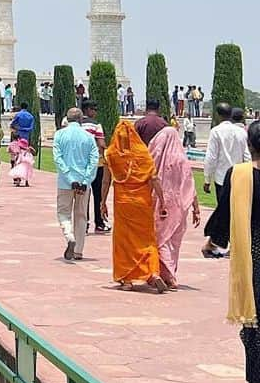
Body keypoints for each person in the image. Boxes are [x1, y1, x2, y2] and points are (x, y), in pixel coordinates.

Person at [204, 120, 260, 383]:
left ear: (249, 146)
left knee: (254, 322)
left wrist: (214, 241)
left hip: (254, 254)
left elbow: (225, 212)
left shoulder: (239, 175)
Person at [100, 120, 167, 292]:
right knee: (146, 239)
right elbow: (154, 179)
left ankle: (127, 280)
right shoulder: (143, 154)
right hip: (142, 203)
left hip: (123, 204)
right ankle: (152, 272)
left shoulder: (112, 154)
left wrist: (102, 202)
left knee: (124, 241)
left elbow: (106, 181)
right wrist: (162, 201)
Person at [148, 124, 200, 288]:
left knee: (160, 238)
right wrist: (196, 208)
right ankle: (169, 273)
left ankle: (167, 275)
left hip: (160, 203)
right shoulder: (181, 159)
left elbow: (149, 177)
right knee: (173, 241)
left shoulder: (154, 159)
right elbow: (190, 184)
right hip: (179, 206)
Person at [52, 109, 99, 261]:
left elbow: (58, 159)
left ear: (67, 118)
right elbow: (94, 161)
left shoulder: (60, 135)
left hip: (66, 182)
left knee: (63, 213)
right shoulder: (89, 137)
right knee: (81, 215)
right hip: (83, 182)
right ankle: (78, 250)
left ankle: (69, 236)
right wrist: (85, 180)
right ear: (81, 120)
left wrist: (69, 177)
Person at [203, 105, 250, 256]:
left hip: (221, 179)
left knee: (224, 212)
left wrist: (207, 179)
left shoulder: (216, 131)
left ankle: (221, 243)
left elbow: (211, 157)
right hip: (238, 176)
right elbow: (247, 155)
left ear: (217, 115)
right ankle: (226, 244)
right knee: (236, 212)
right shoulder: (241, 132)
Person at [79, 99, 108, 233]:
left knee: (83, 194)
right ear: (88, 110)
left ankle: (83, 223)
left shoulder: (77, 125)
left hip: (80, 164)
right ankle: (99, 222)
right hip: (96, 164)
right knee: (98, 194)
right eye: (94, 109)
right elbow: (101, 144)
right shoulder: (96, 125)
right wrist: (104, 155)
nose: (95, 112)